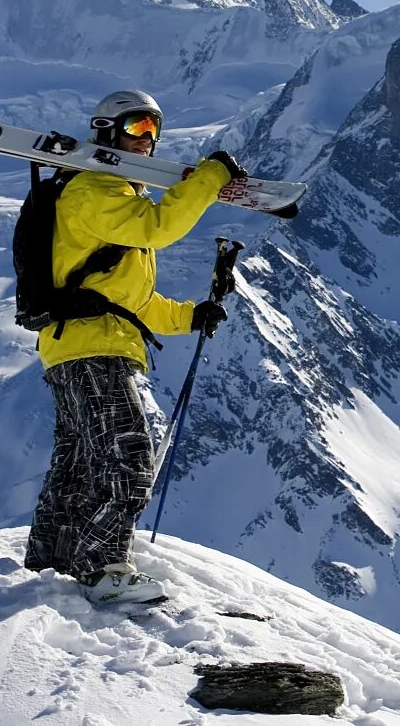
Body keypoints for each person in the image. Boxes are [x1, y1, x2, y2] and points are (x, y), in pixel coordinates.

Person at [23, 88, 246, 604]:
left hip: (85, 343)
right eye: (135, 128)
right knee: (129, 459)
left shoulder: (115, 198)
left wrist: (190, 316)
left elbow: (130, 298)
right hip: (91, 348)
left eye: (152, 131)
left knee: (79, 463)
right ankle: (102, 568)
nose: (146, 141)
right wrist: (211, 177)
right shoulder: (93, 190)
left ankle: (50, 561)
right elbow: (161, 227)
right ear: (105, 131)